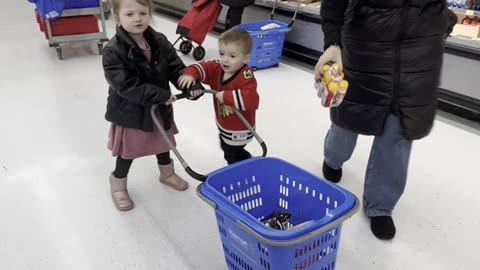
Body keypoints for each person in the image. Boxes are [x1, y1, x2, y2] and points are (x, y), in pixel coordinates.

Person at [315, 0, 457, 239]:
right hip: (364, 46)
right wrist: (332, 41)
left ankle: (381, 205)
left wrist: (442, 19)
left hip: (420, 49)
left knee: (400, 126)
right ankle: (333, 156)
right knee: (349, 115)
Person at [103, 0, 198, 211]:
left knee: (163, 142)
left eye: (143, 13)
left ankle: (167, 174)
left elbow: (175, 67)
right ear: (117, 17)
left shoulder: (160, 41)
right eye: (129, 14)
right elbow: (124, 85)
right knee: (128, 152)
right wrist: (159, 95)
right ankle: (118, 185)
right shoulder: (113, 50)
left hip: (159, 107)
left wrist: (190, 83)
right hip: (132, 112)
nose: (137, 18)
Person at [177, 28, 259, 165]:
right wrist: (190, 74)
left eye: (232, 56)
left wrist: (227, 96)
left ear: (245, 59)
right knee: (226, 147)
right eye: (222, 54)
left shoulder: (246, 76)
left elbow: (252, 99)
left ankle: (246, 168)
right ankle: (245, 162)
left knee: (232, 154)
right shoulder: (217, 68)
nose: (225, 59)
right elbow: (202, 67)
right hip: (225, 124)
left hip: (240, 128)